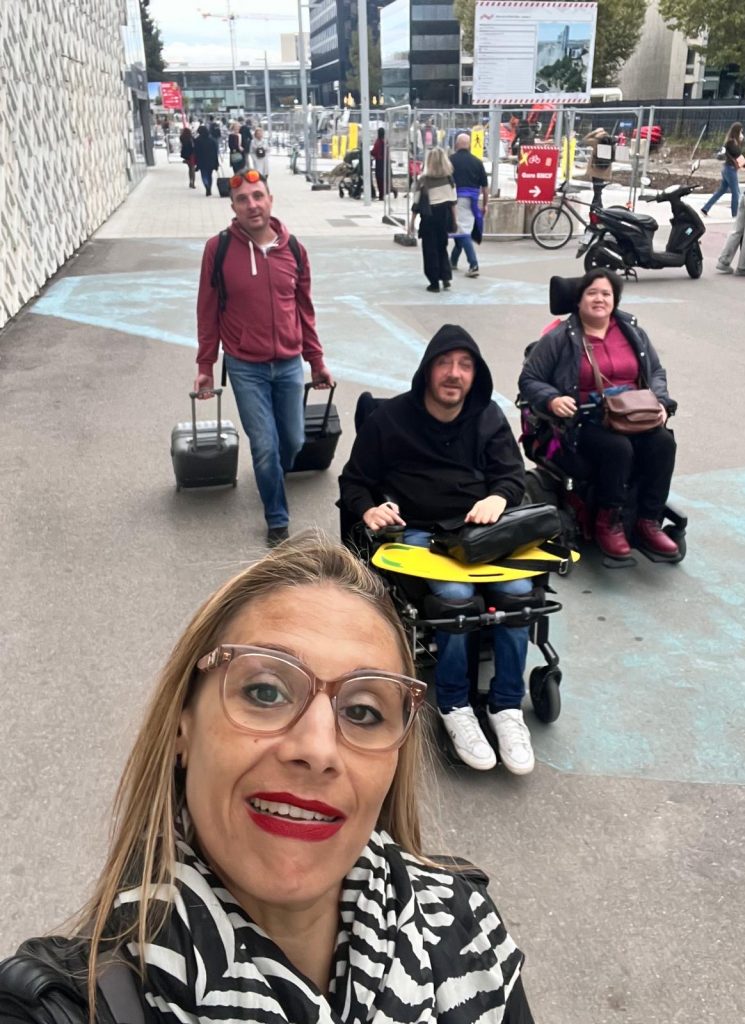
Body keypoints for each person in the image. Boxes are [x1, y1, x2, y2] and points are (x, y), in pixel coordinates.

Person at [0, 535, 535, 1024]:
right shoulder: (62, 1006)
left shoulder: (466, 922)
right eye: (265, 692)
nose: (317, 750)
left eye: (363, 711)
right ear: (183, 725)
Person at [340, 325, 537, 775]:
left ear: (475, 375)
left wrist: (499, 497)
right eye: (445, 363)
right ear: (428, 370)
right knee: (454, 600)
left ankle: (507, 707)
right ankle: (454, 705)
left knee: (519, 595)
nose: (454, 373)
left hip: (480, 531)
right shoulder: (389, 421)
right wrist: (369, 509)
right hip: (420, 531)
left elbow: (512, 476)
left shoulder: (488, 417)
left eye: (465, 365)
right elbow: (353, 481)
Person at [195, 169, 333, 547]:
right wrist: (205, 366)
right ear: (233, 207)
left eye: (258, 196)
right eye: (243, 199)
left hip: (289, 364)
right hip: (245, 366)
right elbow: (207, 311)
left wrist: (316, 361)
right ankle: (277, 517)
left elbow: (304, 310)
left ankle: (272, 476)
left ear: (271, 200)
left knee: (293, 441)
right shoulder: (218, 249)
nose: (252, 205)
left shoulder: (294, 250)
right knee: (265, 445)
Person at [518, 269, 678, 559]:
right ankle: (609, 521)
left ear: (615, 300)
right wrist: (552, 400)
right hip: (583, 421)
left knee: (663, 443)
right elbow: (530, 379)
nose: (599, 299)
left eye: (606, 294)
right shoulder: (560, 338)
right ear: (578, 300)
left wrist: (661, 403)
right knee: (618, 448)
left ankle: (648, 521)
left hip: (633, 415)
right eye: (592, 293)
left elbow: (655, 371)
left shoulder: (632, 332)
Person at [409, 147, 457, 293]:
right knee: (442, 246)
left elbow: (416, 203)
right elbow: (453, 202)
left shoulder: (423, 180)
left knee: (430, 249)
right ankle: (445, 276)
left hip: (429, 217)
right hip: (445, 215)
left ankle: (434, 282)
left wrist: (412, 223)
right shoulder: (449, 179)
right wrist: (455, 221)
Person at [450, 132, 488, 278]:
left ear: (456, 145)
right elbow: (485, 186)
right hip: (472, 200)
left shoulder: (450, 160)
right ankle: (453, 261)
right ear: (469, 145)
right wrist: (485, 204)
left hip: (456, 198)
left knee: (462, 231)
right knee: (461, 229)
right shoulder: (477, 162)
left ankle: (473, 264)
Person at [702, 122, 745, 217]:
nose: (742, 134)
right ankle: (735, 214)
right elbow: (737, 153)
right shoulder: (731, 142)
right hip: (730, 170)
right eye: (741, 132)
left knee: (721, 190)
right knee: (736, 193)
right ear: (737, 132)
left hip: (727, 169)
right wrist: (740, 142)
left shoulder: (731, 142)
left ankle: (706, 208)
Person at [581, 127, 614, 208]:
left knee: (597, 192)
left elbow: (585, 140)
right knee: (598, 191)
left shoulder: (596, 141)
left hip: (596, 170)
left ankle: (594, 209)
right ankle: (599, 208)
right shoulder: (610, 142)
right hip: (605, 170)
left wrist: (594, 132)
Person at [192, 124, 219, 197]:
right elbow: (215, 152)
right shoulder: (212, 140)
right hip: (211, 160)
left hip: (202, 160)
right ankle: (209, 187)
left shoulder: (197, 140)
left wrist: (196, 162)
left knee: (204, 174)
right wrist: (216, 162)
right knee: (210, 175)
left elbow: (195, 152)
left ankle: (206, 186)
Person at [371, 126, 388, 200]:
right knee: (382, 178)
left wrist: (370, 152)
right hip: (384, 161)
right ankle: (382, 194)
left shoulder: (378, 142)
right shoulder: (384, 141)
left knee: (379, 178)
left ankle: (381, 195)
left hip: (379, 161)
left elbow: (375, 151)